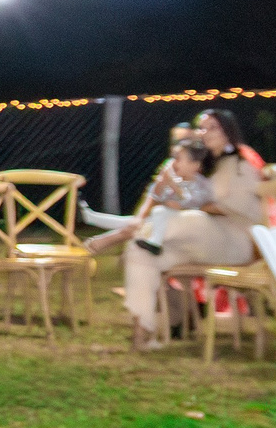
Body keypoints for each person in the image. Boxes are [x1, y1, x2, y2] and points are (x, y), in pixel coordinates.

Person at [118, 109, 263, 349]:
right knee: (141, 254)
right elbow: (160, 191)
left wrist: (189, 203)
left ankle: (139, 233)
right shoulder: (199, 162)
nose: (205, 132)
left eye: (212, 127)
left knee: (185, 219)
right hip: (205, 241)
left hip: (238, 241)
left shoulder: (240, 161)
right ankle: (145, 332)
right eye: (202, 128)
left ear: (228, 130)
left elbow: (232, 207)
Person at [89, 132, 211, 257]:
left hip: (185, 227)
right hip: (163, 221)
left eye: (179, 159)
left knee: (146, 220)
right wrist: (162, 183)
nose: (174, 162)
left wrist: (174, 188)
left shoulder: (202, 184)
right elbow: (158, 198)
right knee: (133, 222)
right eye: (174, 158)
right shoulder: (178, 180)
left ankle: (95, 232)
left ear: (195, 165)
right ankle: (91, 221)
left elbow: (192, 203)